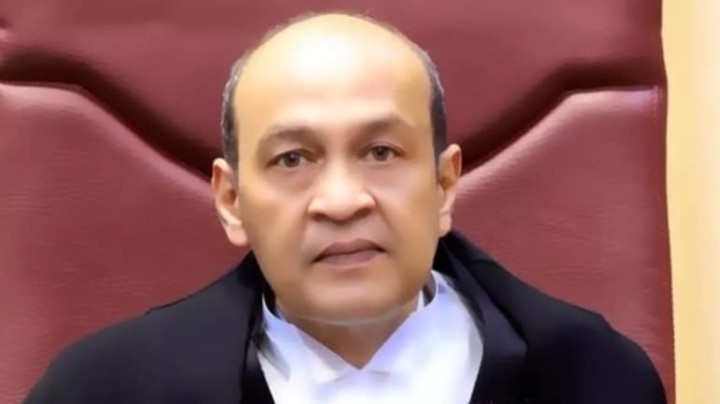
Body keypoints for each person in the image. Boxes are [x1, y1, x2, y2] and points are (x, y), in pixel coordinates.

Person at [25, 11, 666, 404]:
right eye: (292, 159)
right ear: (231, 200)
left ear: (444, 185)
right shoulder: (100, 391)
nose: (340, 201)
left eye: (381, 152)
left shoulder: (593, 379)